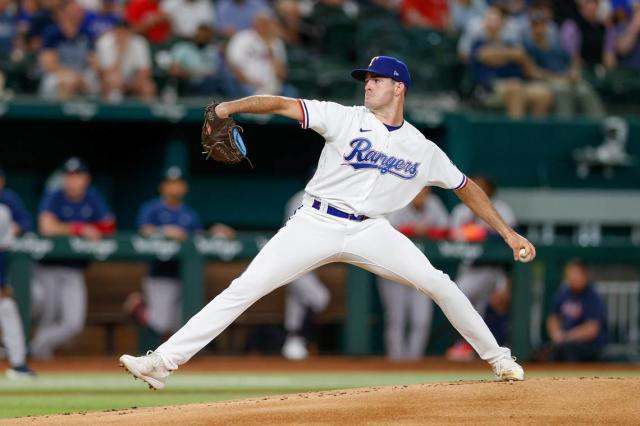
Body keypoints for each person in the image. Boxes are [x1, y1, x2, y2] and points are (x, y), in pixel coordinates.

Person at [120, 55, 536, 390]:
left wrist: (508, 232)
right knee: (244, 289)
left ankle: (500, 360)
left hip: (371, 229)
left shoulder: (422, 149)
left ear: (399, 87)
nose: (368, 84)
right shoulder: (342, 117)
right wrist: (228, 107)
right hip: (315, 222)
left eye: (377, 79)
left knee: (440, 283)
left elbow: (465, 187)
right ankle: (162, 362)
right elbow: (282, 104)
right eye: (366, 79)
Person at [30, 157, 115, 359]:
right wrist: (78, 228)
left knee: (73, 323)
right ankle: (39, 359)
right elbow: (46, 227)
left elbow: (109, 225)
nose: (72, 180)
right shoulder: (55, 195)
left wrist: (94, 229)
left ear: (86, 178)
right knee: (46, 315)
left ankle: (34, 347)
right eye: (69, 176)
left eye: (77, 176)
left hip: (73, 269)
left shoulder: (92, 197)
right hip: (46, 266)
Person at [125, 167, 205, 338]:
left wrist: (217, 232)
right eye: (170, 183)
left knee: (180, 325)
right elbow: (144, 231)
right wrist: (165, 231)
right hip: (158, 273)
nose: (174, 187)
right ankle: (138, 306)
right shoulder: (152, 209)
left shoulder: (189, 215)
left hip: (185, 276)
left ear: (184, 187)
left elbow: (198, 239)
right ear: (162, 187)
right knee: (161, 324)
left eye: (178, 183)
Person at [446, 176, 515, 361]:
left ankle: (493, 349)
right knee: (459, 298)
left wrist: (484, 234)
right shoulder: (460, 211)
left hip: (495, 268)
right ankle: (466, 346)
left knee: (492, 307)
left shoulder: (501, 209)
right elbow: (453, 236)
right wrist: (471, 234)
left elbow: (508, 236)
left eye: (482, 186)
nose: (476, 188)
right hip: (470, 267)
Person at [377, 187, 449, 361]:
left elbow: (447, 229)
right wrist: (412, 230)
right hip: (394, 270)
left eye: (424, 192)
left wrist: (429, 232)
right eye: (416, 191)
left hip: (421, 271)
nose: (420, 196)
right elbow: (385, 232)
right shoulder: (398, 202)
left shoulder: (434, 204)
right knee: (397, 319)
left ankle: (414, 363)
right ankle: (396, 362)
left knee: (421, 320)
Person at [280, 189, 331, 361]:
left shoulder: (330, 196)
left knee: (297, 301)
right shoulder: (299, 198)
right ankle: (297, 338)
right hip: (292, 256)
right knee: (319, 297)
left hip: (307, 258)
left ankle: (294, 341)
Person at [0, 167, 35, 378]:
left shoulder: (7, 203)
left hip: (2, 261)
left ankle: (18, 364)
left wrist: (16, 228)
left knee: (7, 308)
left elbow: (26, 223)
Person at [546, 259, 606, 362]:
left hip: (589, 346)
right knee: (550, 350)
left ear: (584, 275)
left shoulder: (593, 297)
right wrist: (556, 334)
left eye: (575, 273)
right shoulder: (563, 293)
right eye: (569, 274)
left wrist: (566, 337)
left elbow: (592, 329)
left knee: (569, 349)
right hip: (564, 342)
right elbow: (553, 318)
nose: (572, 277)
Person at [225, 11, 294, 96]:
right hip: (248, 85)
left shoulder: (276, 42)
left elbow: (282, 74)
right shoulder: (242, 38)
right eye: (261, 22)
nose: (263, 25)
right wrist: (252, 83)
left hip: (273, 87)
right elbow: (234, 67)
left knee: (290, 92)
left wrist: (271, 52)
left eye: (266, 22)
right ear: (254, 23)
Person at [96, 19, 156, 102]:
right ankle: (112, 112)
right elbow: (107, 72)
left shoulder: (139, 42)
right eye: (119, 31)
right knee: (113, 79)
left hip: (133, 80)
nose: (121, 34)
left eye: (124, 31)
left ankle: (141, 114)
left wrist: (133, 84)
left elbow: (145, 71)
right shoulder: (104, 42)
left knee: (148, 87)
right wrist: (120, 52)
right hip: (111, 79)